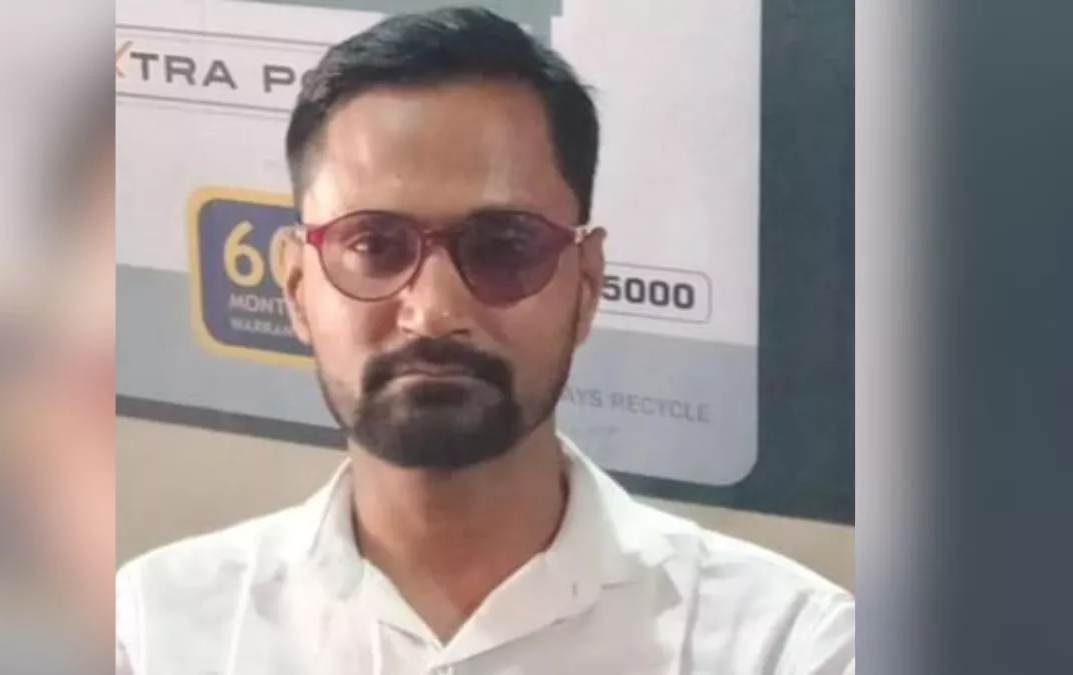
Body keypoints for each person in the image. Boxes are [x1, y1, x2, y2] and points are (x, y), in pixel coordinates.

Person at [115, 7, 854, 674]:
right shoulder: (152, 633)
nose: (434, 311)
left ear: (587, 285)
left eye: (504, 244)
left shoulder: (789, 646)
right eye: (374, 244)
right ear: (296, 287)